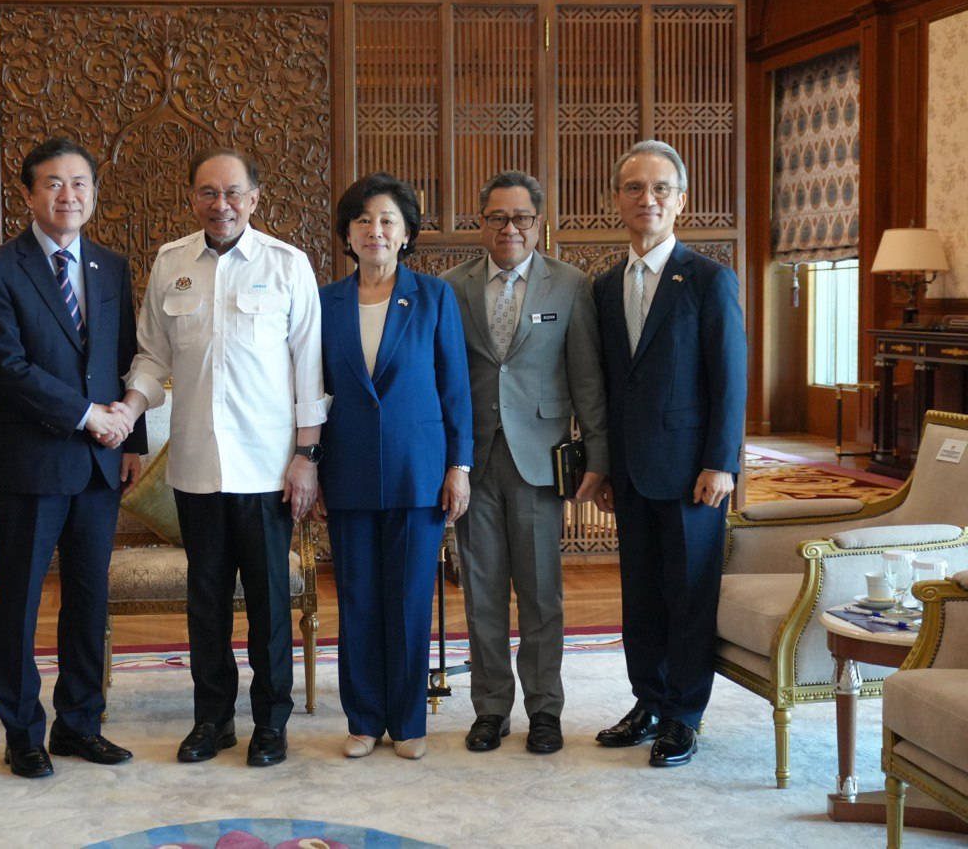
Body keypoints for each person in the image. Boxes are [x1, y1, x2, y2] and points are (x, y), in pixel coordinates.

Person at [116, 147, 328, 768]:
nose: (221, 204)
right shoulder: (170, 264)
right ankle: (212, 720)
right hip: (197, 470)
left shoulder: (288, 266)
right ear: (192, 199)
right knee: (205, 604)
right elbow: (152, 356)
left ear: (255, 199)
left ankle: (270, 724)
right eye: (209, 192)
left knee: (267, 607)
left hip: (267, 471)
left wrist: (305, 456)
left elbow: (308, 368)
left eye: (233, 192)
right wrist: (130, 409)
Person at [0, 137, 146, 779]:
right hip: (30, 462)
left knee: (87, 600)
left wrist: (131, 442)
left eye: (79, 183)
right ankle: (22, 732)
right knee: (17, 600)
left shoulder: (110, 266)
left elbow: (127, 357)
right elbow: (7, 367)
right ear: (28, 194)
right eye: (53, 183)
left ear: (94, 194)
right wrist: (85, 415)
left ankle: (80, 724)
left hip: (101, 465)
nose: (68, 195)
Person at [440, 171, 608, 755]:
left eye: (521, 219)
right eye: (497, 218)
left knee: (541, 595)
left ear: (539, 223)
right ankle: (490, 709)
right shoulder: (451, 287)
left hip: (540, 461)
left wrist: (598, 456)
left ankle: (545, 710)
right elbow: (444, 380)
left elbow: (587, 378)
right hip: (474, 461)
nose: (509, 228)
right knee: (481, 593)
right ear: (480, 221)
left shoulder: (570, 285)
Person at [591, 140, 746, 767]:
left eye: (660, 188)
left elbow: (729, 379)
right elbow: (606, 383)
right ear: (618, 200)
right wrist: (602, 462)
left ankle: (684, 713)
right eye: (633, 187)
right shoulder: (605, 287)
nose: (646, 198)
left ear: (682, 200)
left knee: (689, 596)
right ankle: (647, 701)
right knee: (642, 595)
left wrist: (722, 462)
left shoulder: (709, 279)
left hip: (692, 475)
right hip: (630, 471)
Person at [314, 172, 473, 761]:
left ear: (405, 233)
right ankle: (363, 719)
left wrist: (459, 464)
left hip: (418, 470)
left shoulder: (433, 296)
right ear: (347, 234)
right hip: (347, 468)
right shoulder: (324, 300)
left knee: (408, 600)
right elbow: (310, 389)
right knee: (356, 598)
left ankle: (407, 722)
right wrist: (310, 464)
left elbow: (455, 388)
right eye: (362, 221)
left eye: (387, 221)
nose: (374, 231)